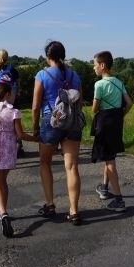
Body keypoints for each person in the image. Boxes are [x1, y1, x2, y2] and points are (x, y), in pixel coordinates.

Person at [31, 40, 84, 225]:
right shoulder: (75, 75)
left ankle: (50, 204)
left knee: (45, 162)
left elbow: (36, 105)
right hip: (73, 124)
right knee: (72, 167)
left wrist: (35, 126)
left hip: (51, 122)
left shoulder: (42, 75)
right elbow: (80, 101)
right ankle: (74, 211)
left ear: (48, 57)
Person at [0, 82, 37, 238]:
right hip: (8, 151)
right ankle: (3, 211)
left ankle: (3, 214)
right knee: (3, 182)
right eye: (13, 92)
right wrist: (36, 139)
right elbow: (20, 135)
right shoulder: (13, 112)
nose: (14, 95)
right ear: (7, 94)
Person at [91, 51, 133, 212]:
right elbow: (129, 103)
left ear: (102, 66)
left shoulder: (99, 85)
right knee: (110, 156)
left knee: (109, 162)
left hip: (104, 124)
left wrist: (97, 109)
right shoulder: (118, 82)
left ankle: (119, 200)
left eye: (95, 64)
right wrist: (121, 114)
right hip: (116, 123)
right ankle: (104, 187)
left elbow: (95, 108)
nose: (94, 68)